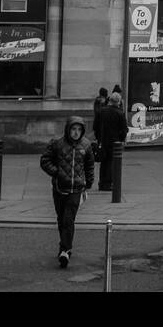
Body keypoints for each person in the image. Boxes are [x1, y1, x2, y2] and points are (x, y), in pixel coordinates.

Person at [40, 115, 95, 268]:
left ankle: (65, 250)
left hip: (76, 189)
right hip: (60, 188)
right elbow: (45, 160)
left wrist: (89, 182)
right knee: (61, 219)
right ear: (68, 129)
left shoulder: (86, 145)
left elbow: (90, 165)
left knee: (68, 220)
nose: (76, 132)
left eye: (79, 129)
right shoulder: (57, 144)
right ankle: (64, 244)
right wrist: (56, 172)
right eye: (73, 129)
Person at [94, 93, 128, 191]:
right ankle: (109, 183)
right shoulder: (120, 113)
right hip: (115, 141)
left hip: (103, 140)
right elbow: (124, 129)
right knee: (112, 162)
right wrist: (121, 140)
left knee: (103, 162)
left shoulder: (101, 111)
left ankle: (102, 183)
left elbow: (95, 127)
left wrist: (98, 138)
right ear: (118, 102)